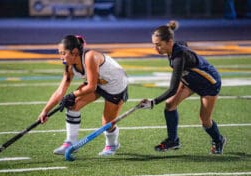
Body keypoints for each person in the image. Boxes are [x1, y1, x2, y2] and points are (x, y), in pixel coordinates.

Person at [140, 21, 226, 154]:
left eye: (158, 45)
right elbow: (184, 43)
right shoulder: (174, 47)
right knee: (170, 105)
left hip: (209, 83)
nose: (155, 49)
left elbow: (173, 89)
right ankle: (173, 140)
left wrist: (153, 102)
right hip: (190, 81)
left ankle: (219, 140)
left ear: (169, 42)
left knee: (204, 120)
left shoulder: (179, 57)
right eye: (154, 45)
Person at [38, 35, 128, 156]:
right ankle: (70, 143)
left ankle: (112, 145)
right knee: (72, 105)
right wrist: (45, 111)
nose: (61, 57)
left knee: (107, 123)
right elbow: (60, 90)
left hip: (115, 85)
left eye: (63, 53)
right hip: (97, 83)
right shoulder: (69, 65)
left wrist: (72, 94)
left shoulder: (90, 57)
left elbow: (91, 87)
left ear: (74, 52)